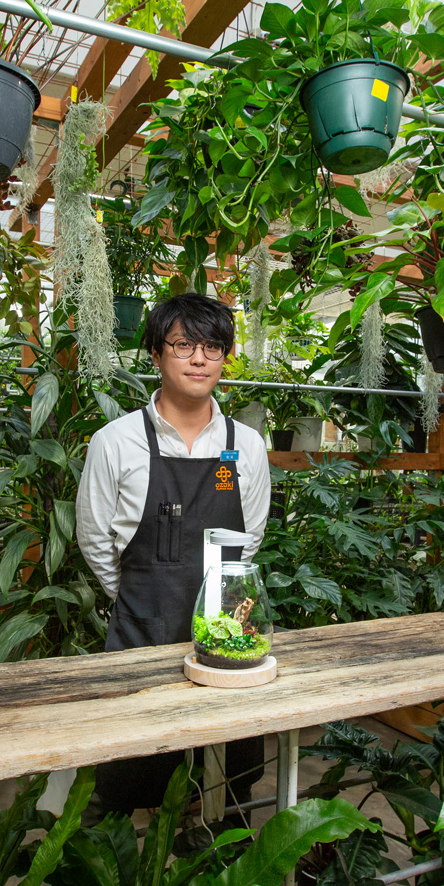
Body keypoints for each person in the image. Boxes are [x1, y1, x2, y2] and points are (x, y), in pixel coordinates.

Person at [76, 293, 271, 815]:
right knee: (126, 771)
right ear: (157, 355)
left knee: (229, 772)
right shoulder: (115, 442)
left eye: (212, 346)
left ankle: (211, 844)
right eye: (183, 345)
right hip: (142, 629)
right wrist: (141, 595)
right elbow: (95, 540)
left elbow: (249, 533)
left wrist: (218, 603)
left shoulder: (243, 446)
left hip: (225, 634)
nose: (199, 359)